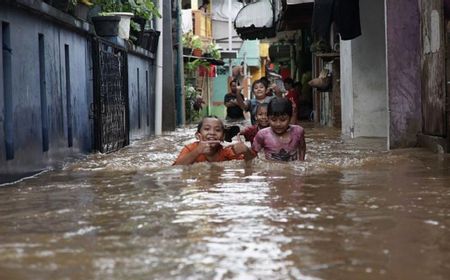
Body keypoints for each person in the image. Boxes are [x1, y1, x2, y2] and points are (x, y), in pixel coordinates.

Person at [173, 116, 254, 165]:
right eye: (207, 129)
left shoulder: (226, 152)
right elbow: (176, 168)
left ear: (223, 137)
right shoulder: (191, 149)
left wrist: (246, 150)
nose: (212, 133)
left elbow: (253, 163)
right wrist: (197, 151)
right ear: (198, 135)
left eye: (217, 130)